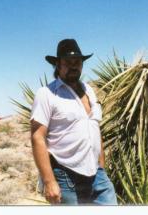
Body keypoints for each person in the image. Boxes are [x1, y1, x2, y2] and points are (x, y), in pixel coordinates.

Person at [30, 39, 117, 205]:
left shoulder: (89, 90)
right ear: (57, 64)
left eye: (77, 61)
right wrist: (49, 182)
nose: (73, 65)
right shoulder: (47, 94)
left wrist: (101, 167)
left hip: (96, 174)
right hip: (66, 176)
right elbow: (37, 137)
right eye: (67, 62)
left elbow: (94, 128)